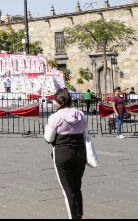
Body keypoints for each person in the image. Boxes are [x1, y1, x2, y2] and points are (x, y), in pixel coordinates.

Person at [44, 88, 88, 220]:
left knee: (68, 190)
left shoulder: (55, 117)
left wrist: (47, 128)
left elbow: (49, 138)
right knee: (77, 187)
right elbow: (85, 134)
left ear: (58, 102)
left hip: (62, 153)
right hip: (80, 152)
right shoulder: (80, 114)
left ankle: (73, 217)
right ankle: (79, 215)